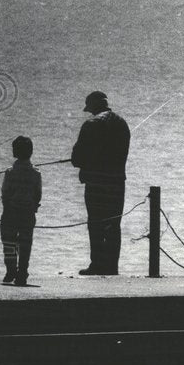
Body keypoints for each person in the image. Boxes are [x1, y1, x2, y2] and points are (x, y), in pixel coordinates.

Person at [71, 91, 130, 276]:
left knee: (95, 223)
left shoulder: (91, 124)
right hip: (117, 183)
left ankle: (97, 264)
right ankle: (112, 266)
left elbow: (76, 158)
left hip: (96, 182)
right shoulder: (122, 124)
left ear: (93, 107)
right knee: (113, 224)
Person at [0, 136, 42, 286]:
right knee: (25, 244)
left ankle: (11, 270)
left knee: (8, 242)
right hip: (28, 213)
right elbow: (38, 195)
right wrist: (33, 206)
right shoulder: (36, 173)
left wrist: (7, 206)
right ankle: (22, 273)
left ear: (15, 152)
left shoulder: (10, 172)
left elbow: (5, 193)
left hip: (10, 212)